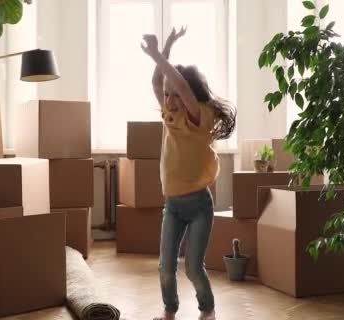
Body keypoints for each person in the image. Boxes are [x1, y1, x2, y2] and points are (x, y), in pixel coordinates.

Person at [140, 27, 237, 320]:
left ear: (189, 95)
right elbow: (160, 81)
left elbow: (180, 85)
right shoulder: (171, 114)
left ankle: (206, 308)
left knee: (193, 268)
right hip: (173, 205)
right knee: (165, 267)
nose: (168, 99)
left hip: (198, 206)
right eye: (166, 96)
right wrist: (166, 47)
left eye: (175, 96)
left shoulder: (198, 116)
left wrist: (159, 54)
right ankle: (170, 310)